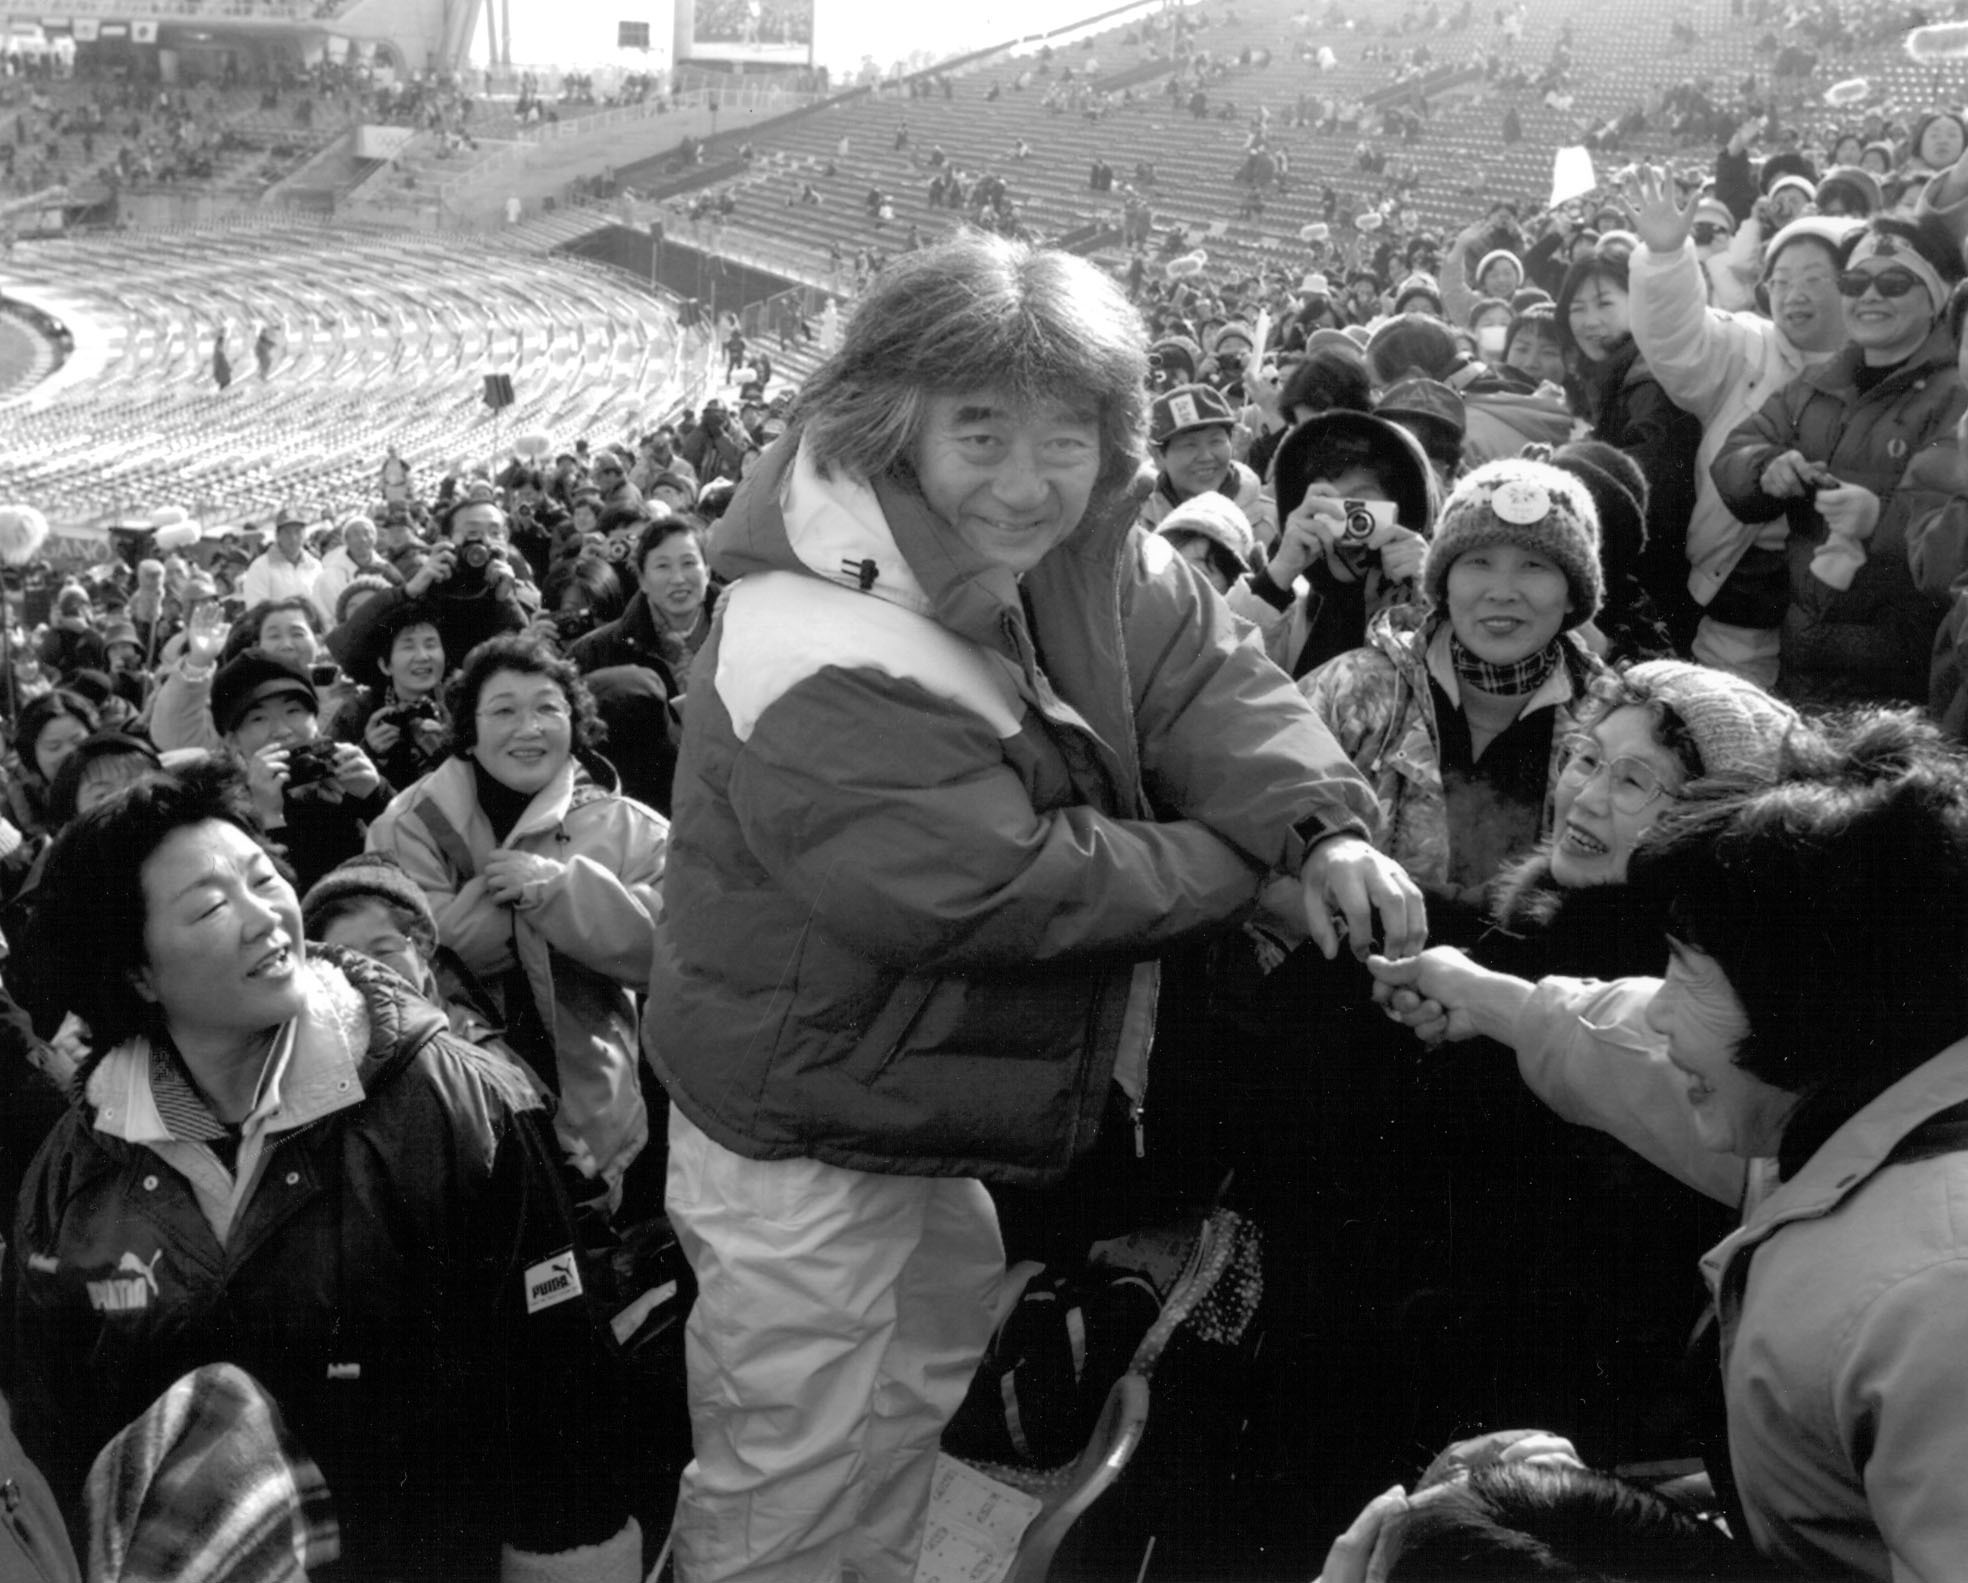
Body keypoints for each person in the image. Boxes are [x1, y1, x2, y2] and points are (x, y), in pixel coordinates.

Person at [646, 232, 1422, 1583]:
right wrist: (1255, 868)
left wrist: (1320, 822)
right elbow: (991, 882)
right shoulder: (810, 623)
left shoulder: (1082, 532)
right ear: (892, 422)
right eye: (981, 431)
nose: (1025, 477)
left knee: (920, 1370)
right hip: (801, 1109)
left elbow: (1204, 676)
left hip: (921, 1084)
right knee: (786, 1452)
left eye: (1063, 433)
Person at [1, 764, 642, 1581]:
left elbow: (556, 1395)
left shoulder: (455, 1104)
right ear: (137, 974)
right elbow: (57, 1431)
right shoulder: (75, 1174)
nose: (265, 915)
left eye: (264, 877)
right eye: (209, 905)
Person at [1369, 710, 1968, 1579]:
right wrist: (1490, 1000)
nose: (1655, 1009)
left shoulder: (1938, 1302)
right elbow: (1640, 1053)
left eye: (1683, 974)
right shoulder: (1859, 1092)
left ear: (1802, 1004)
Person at [367, 635, 664, 1215]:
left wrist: (553, 889)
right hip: (459, 1111)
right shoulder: (409, 823)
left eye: (548, 708)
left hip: (598, 1099)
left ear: (574, 722)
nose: (528, 728)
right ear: (469, 731)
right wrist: (507, 901)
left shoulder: (629, 827)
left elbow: (667, 954)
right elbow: (404, 970)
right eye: (503, 710)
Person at [1302, 457, 1614, 913]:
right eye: (1479, 562)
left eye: (1534, 565)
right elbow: (1265, 836)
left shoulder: (1609, 723)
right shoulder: (1352, 689)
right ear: (1443, 583)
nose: (1502, 590)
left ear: (1573, 594)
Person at [1712, 212, 1968, 707]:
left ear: (1934, 298)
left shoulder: (1954, 396)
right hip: (1804, 658)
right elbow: (1735, 453)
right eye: (1855, 281)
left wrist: (1879, 518)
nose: (1871, 295)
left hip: (1902, 676)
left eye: (1894, 282)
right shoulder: (1818, 383)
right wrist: (1766, 467)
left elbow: (1948, 533)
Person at [1626, 163, 1861, 685]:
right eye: (1780, 280)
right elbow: (1678, 340)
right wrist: (1666, 258)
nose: (1793, 293)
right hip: (1738, 587)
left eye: (1814, 278)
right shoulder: (1747, 345)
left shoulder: (1883, 369)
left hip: (1842, 603)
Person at [1553, 243, 1704, 645]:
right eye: (1577, 308)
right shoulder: (1617, 370)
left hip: (1659, 578)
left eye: (1604, 303)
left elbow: (1648, 474)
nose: (1590, 321)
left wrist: (1566, 472)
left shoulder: (1646, 376)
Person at [1232, 409, 1440, 678]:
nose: (1345, 520)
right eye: (1328, 502)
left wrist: (1432, 593)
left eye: (1360, 502)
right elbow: (1216, 664)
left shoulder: (1444, 591)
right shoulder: (1292, 610)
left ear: (1406, 510)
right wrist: (1277, 574)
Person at [1136, 381, 1278, 540]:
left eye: (1216, 441)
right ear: (1157, 456)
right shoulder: (1135, 525)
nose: (1206, 456)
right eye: (1189, 445)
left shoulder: (1271, 520)